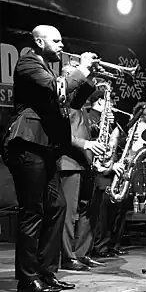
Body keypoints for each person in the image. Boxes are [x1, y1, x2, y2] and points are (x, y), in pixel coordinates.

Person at [1, 25, 101, 292]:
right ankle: (28, 278)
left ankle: (47, 273)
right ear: (38, 41)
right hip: (28, 142)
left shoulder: (48, 68)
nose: (61, 44)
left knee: (56, 208)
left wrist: (88, 74)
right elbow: (53, 90)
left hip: (45, 147)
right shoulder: (28, 63)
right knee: (32, 211)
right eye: (55, 40)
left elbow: (71, 103)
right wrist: (80, 69)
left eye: (61, 39)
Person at [58, 64, 107, 272]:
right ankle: (68, 257)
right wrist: (87, 145)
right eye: (73, 74)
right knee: (68, 214)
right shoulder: (61, 101)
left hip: (85, 163)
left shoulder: (79, 105)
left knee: (89, 212)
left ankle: (82, 253)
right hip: (69, 163)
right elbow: (62, 137)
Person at [87, 91, 129, 258]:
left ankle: (110, 245)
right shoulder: (90, 116)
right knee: (102, 214)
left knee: (115, 209)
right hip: (98, 171)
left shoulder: (107, 120)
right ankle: (100, 247)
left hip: (110, 168)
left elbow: (112, 145)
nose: (112, 106)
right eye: (109, 102)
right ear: (99, 101)